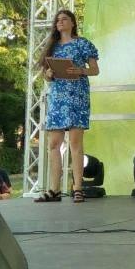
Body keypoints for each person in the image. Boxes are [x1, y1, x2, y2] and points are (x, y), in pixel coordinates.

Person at [35, 11, 99, 204]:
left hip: (77, 96)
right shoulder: (52, 46)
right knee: (53, 144)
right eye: (58, 20)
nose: (60, 22)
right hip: (57, 97)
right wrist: (48, 74)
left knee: (75, 144)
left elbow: (95, 70)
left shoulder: (83, 43)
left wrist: (80, 70)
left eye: (64, 19)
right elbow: (47, 77)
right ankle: (54, 189)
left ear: (72, 23)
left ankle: (78, 188)